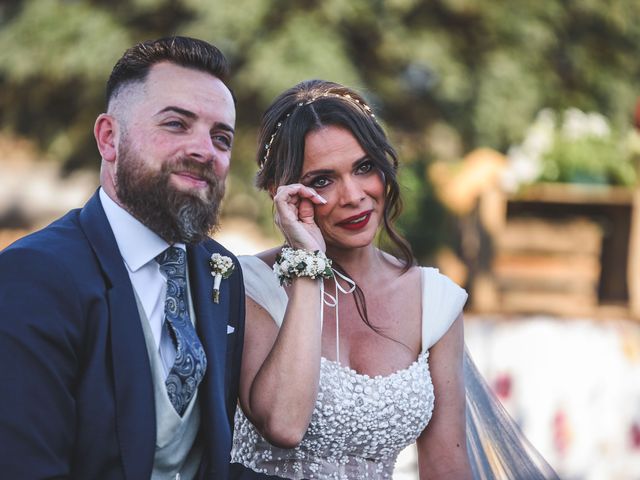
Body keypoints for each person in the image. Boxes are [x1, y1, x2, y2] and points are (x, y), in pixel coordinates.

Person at [229, 80, 559, 479]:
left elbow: (446, 466)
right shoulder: (247, 286)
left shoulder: (433, 302)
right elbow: (283, 424)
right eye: (322, 180)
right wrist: (308, 266)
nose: (353, 195)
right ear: (278, 192)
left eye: (364, 167)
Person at [0, 36, 245, 479]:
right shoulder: (35, 275)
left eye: (221, 137)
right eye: (176, 124)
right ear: (109, 138)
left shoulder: (220, 271)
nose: (204, 150)